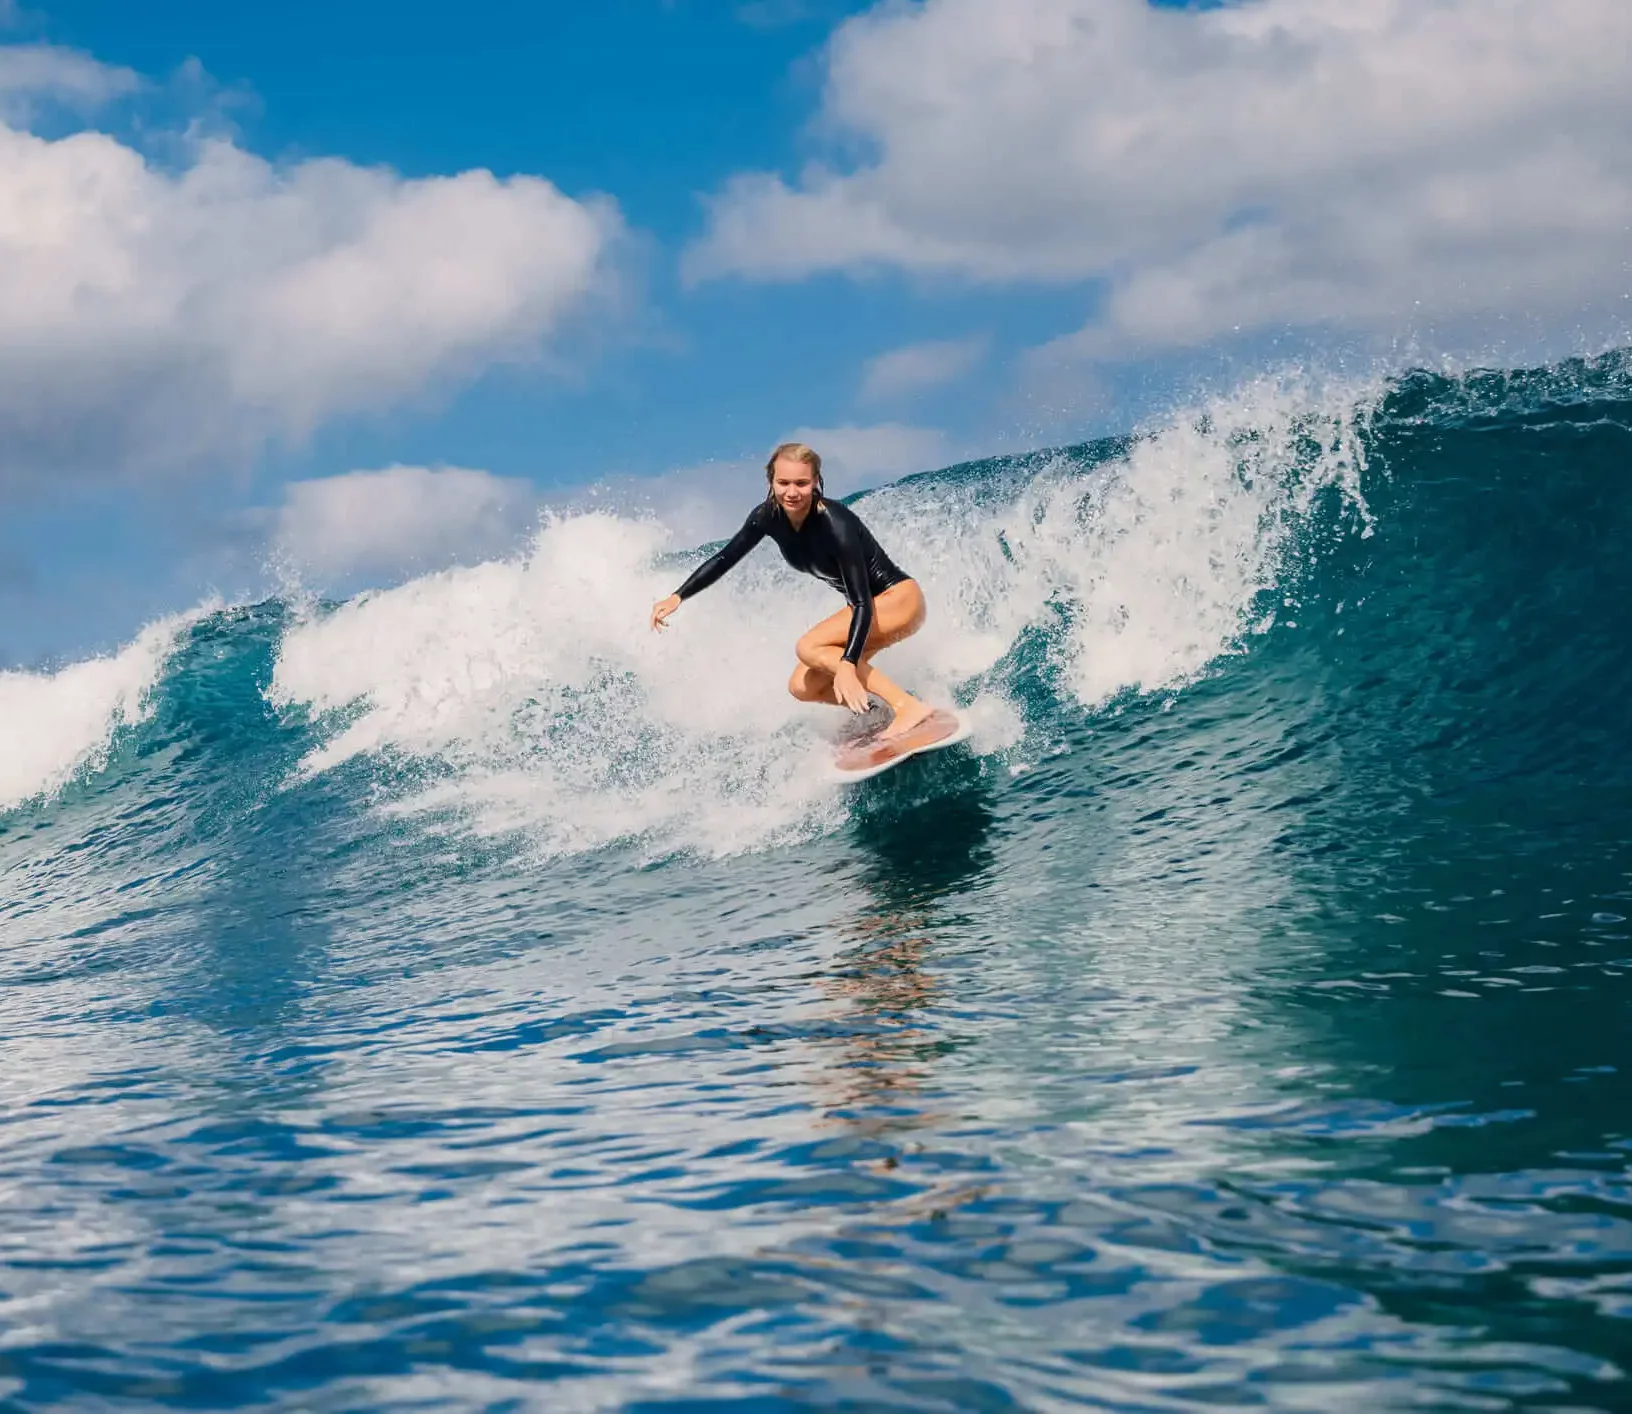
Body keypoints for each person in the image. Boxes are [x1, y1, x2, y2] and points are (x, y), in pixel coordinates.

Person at [649, 442, 934, 739]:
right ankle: (876, 711)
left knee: (809, 647)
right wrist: (677, 595)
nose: (791, 492)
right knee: (803, 686)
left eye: (801, 483)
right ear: (771, 482)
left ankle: (907, 706)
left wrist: (848, 664)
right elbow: (725, 558)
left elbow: (862, 601)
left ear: (816, 482)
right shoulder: (767, 516)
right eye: (783, 482)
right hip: (869, 611)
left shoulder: (835, 524)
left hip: (897, 600)